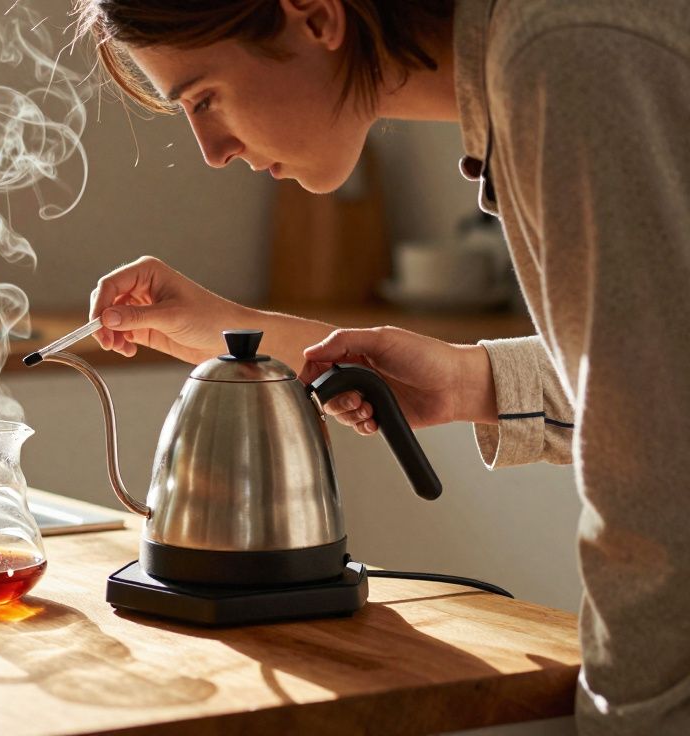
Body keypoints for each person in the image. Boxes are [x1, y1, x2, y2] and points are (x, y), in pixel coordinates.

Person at [72, 1, 690, 733]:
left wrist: (628, 721)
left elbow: (659, 480)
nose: (210, 149)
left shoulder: (564, 54)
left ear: (313, 16)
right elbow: (660, 382)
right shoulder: (536, 58)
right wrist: (470, 382)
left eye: (204, 97)